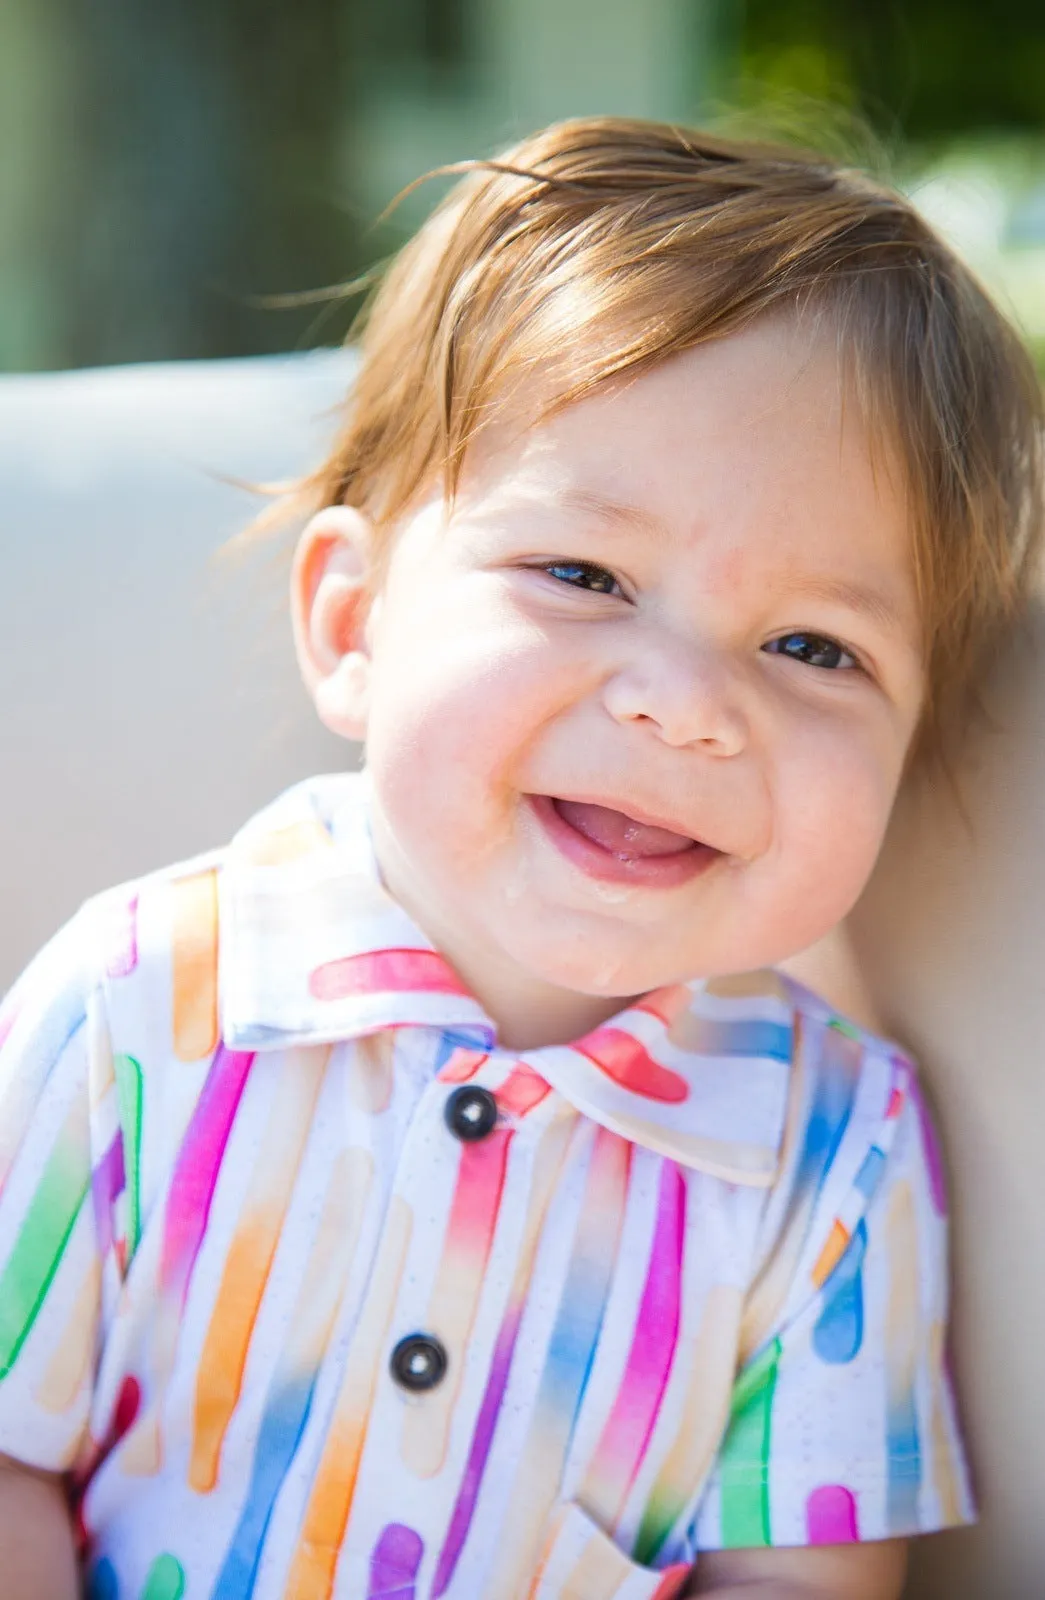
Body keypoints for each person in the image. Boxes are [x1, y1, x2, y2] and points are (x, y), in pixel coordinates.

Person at [0, 117, 1040, 1600]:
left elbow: (806, 1579)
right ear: (354, 626)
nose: (686, 703)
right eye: (583, 575)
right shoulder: (134, 1009)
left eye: (815, 648)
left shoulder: (836, 1150)